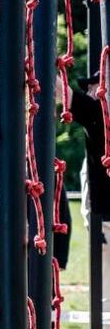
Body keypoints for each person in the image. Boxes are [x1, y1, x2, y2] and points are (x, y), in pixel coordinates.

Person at [71, 71, 109, 314]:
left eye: (91, 87)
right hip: (103, 219)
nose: (88, 92)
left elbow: (62, 93)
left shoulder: (98, 114)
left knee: (105, 295)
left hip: (105, 221)